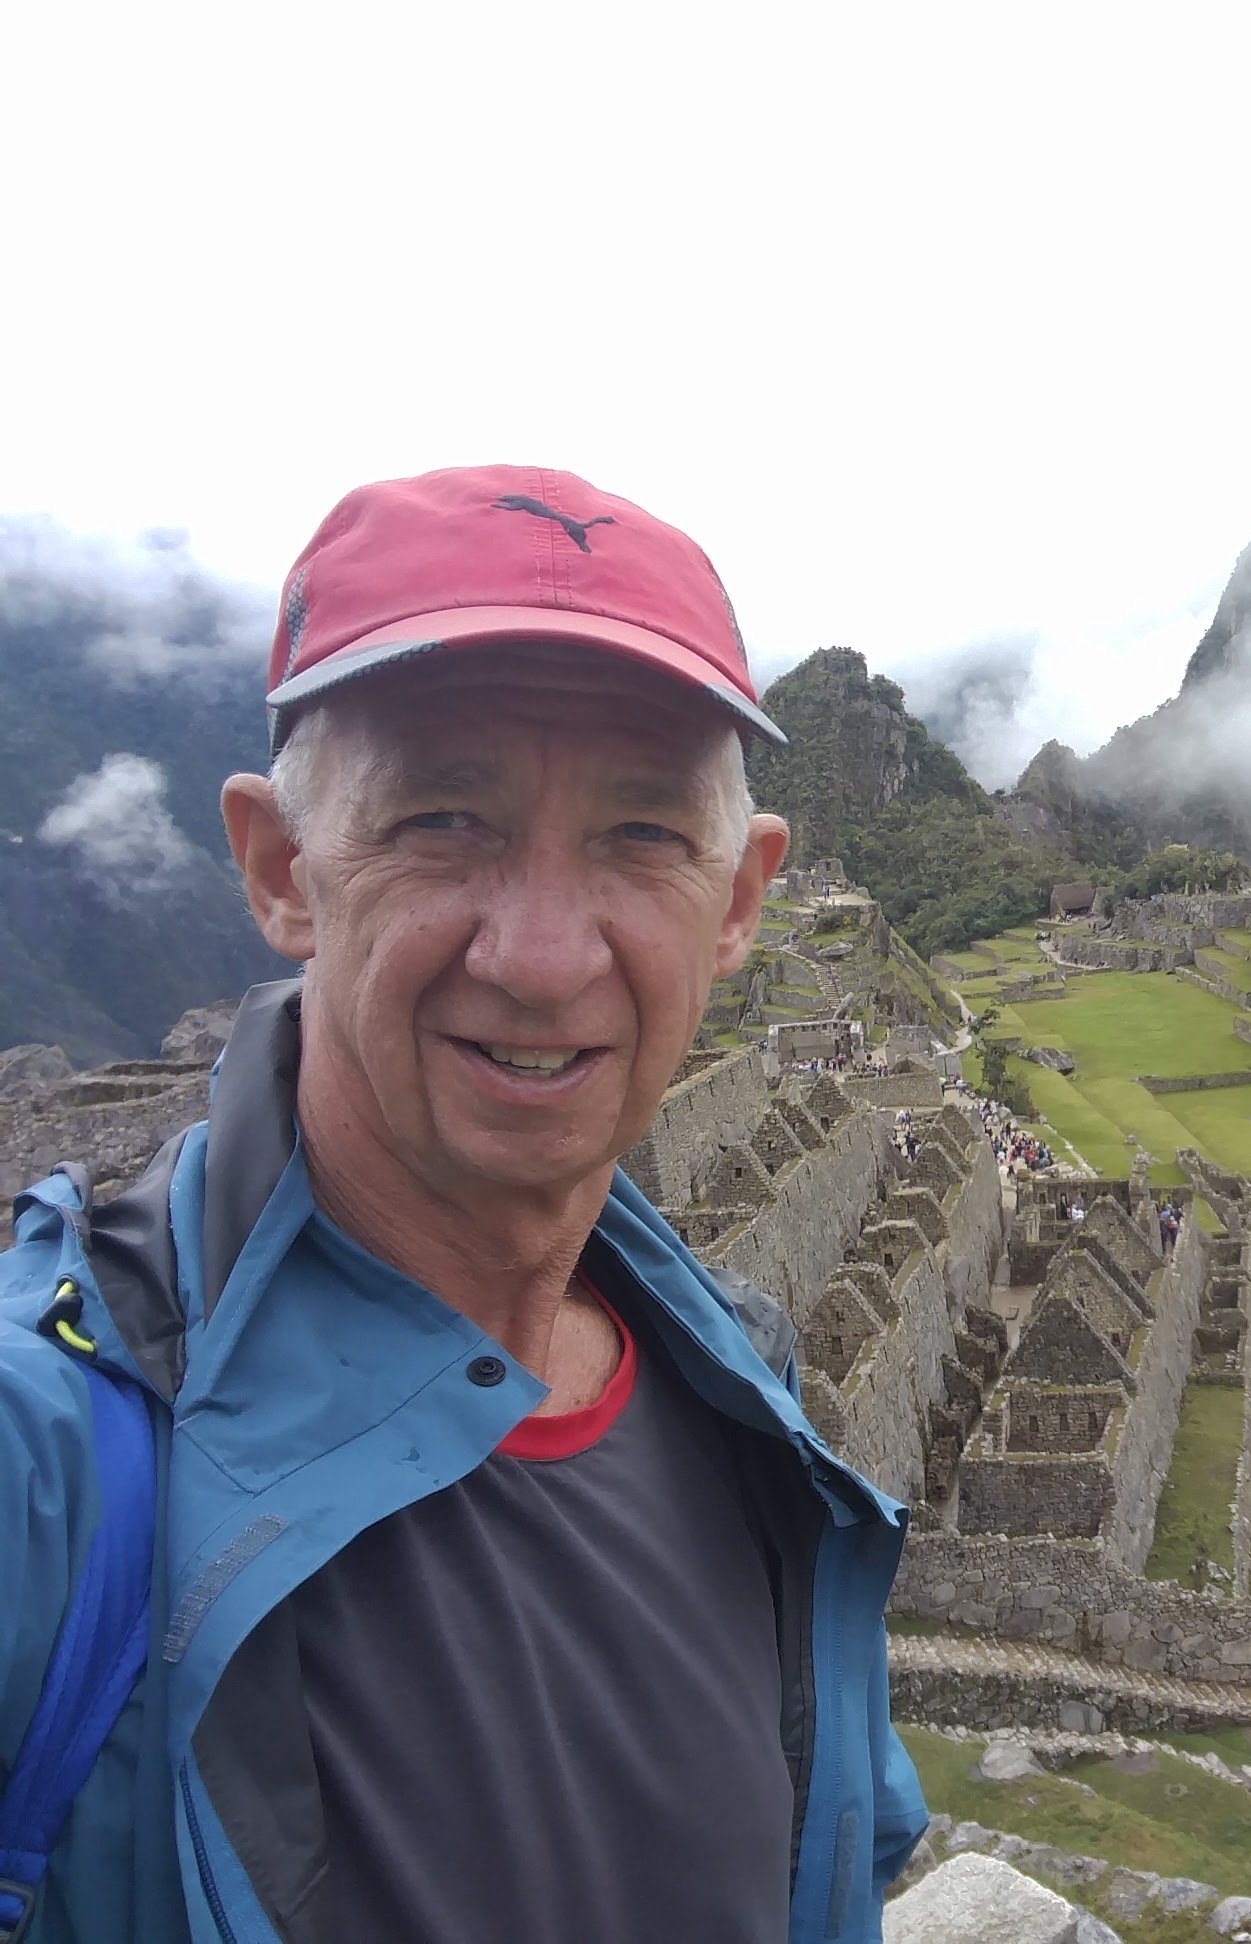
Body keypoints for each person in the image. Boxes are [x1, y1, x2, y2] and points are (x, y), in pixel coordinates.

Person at [0, 467, 923, 1943]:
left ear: (741, 900)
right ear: (282, 871)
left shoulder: (753, 1419)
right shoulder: (47, 1466)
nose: (547, 957)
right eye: (445, 820)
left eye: (641, 838)